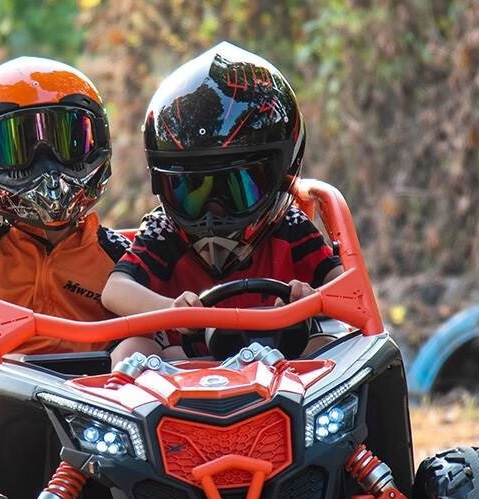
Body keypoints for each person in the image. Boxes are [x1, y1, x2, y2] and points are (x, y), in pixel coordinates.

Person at [102, 42, 342, 360]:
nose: (213, 210)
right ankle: (128, 409)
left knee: (334, 347)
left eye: (236, 187)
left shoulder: (290, 225)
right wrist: (172, 310)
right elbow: (115, 290)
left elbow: (346, 289)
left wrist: (310, 299)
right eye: (193, 189)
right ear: (162, 182)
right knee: (131, 350)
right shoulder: (165, 230)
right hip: (187, 368)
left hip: (283, 362)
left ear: (279, 174)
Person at [0, 56, 129, 356]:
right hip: (9, 390)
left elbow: (149, 342)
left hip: (103, 392)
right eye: (17, 147)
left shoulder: (118, 255)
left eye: (66, 142)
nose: (47, 167)